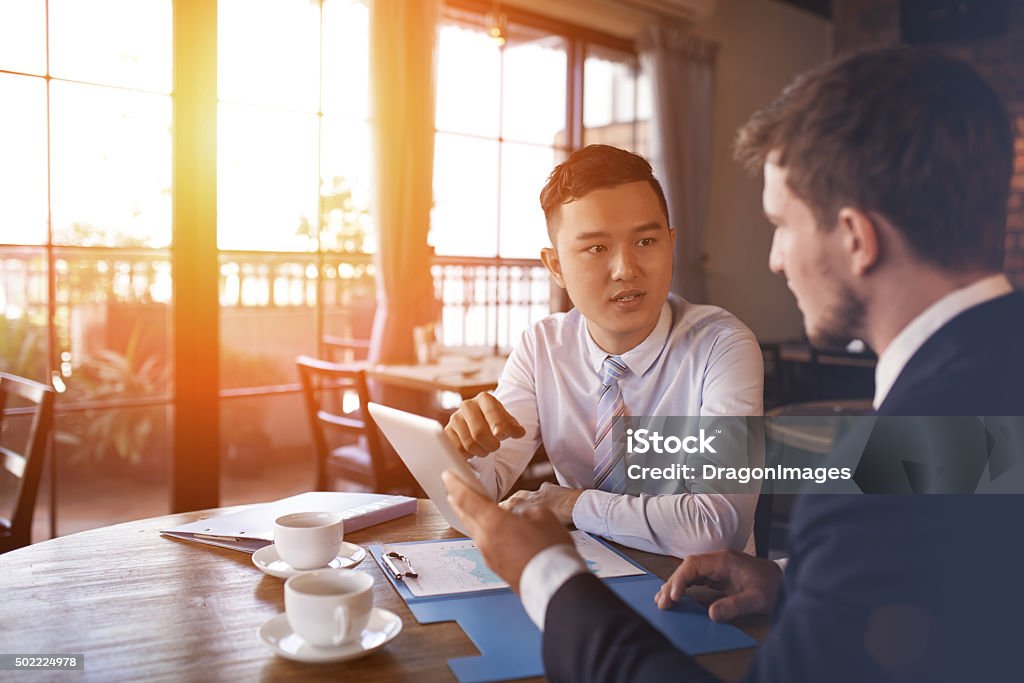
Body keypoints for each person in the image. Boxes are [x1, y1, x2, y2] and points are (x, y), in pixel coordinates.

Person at [444, 46, 1024, 682]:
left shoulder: (878, 476)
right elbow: (974, 600)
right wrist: (794, 583)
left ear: (856, 238)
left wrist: (545, 573)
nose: (774, 259)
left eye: (781, 224)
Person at [443, 144, 764, 558]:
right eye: (596, 248)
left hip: (704, 595)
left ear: (671, 244)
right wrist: (466, 454)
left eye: (646, 241)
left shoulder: (722, 346)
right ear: (556, 266)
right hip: (586, 580)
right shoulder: (543, 346)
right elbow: (488, 487)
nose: (625, 269)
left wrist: (572, 504)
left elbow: (719, 528)